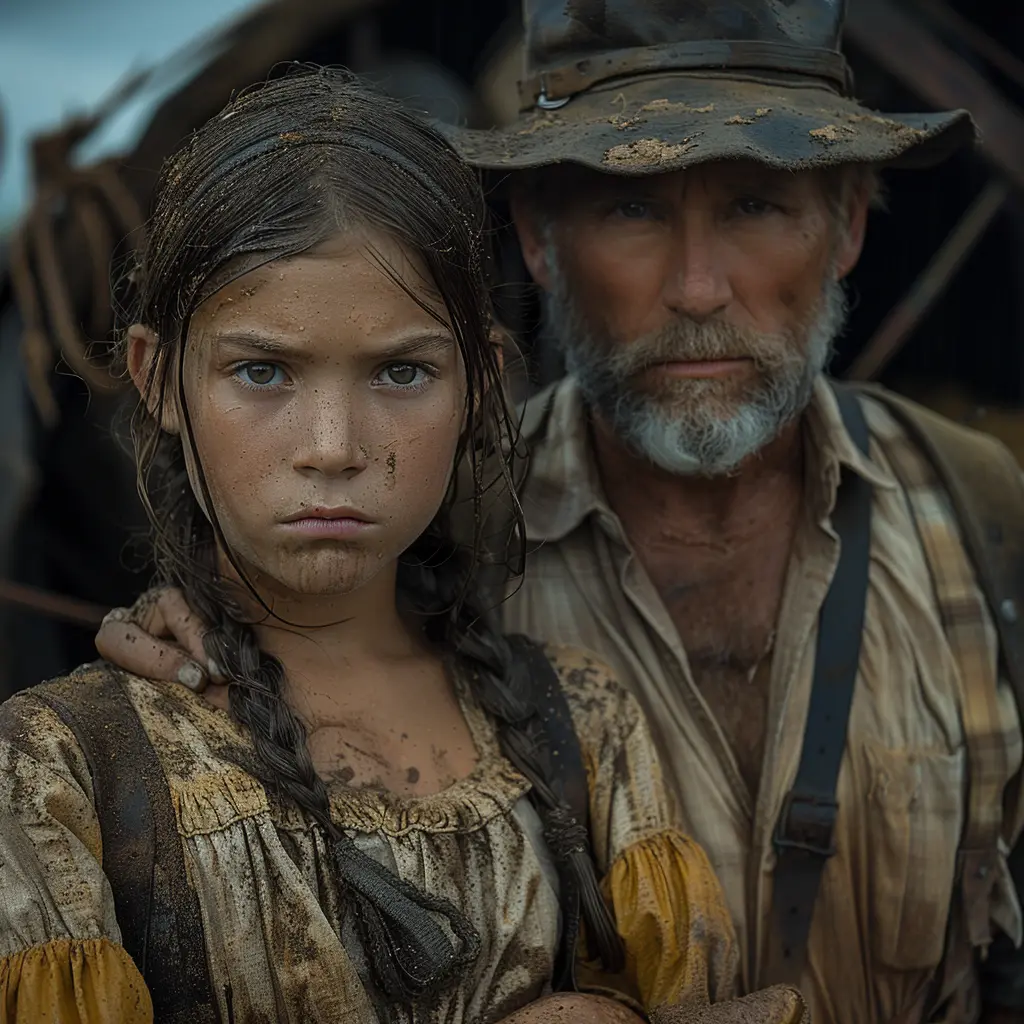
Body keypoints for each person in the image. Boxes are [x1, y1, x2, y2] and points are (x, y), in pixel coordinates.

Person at [94, 2, 1024, 1023]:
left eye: (757, 205)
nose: (698, 288)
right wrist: (205, 619)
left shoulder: (972, 505)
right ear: (538, 237)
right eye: (632, 208)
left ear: (846, 225)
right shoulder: (421, 531)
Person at [0, 69, 812, 1024]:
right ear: (159, 379)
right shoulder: (56, 770)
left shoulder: (582, 726)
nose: (334, 448)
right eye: (262, 371)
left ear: (480, 384)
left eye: (402, 372)